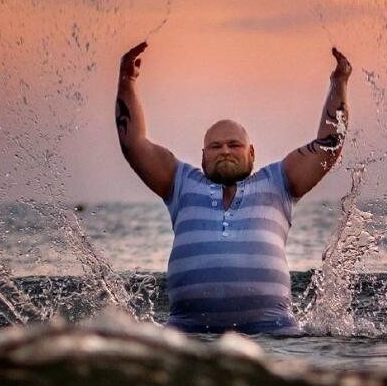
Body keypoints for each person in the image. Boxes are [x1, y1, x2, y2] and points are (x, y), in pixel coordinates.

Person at [115, 41, 352, 334]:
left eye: (234, 145)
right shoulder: (179, 182)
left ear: (251, 153)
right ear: (203, 156)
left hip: (275, 334)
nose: (225, 151)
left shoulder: (279, 181)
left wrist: (339, 82)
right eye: (215, 146)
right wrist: (127, 80)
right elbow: (134, 144)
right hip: (186, 334)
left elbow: (329, 145)